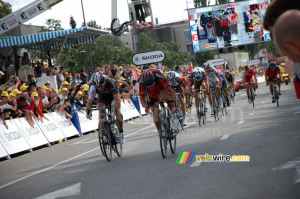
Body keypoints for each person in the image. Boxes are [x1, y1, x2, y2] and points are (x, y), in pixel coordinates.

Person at [138, 68, 180, 135]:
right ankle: (160, 132)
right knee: (155, 111)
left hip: (160, 86)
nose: (151, 87)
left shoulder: (158, 76)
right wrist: (146, 107)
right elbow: (142, 98)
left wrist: (174, 103)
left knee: (165, 97)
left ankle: (175, 117)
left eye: (152, 85)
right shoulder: (141, 82)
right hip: (151, 92)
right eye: (149, 86)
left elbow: (171, 91)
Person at [86, 72, 125, 144]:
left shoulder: (109, 82)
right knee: (101, 112)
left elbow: (117, 99)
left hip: (113, 96)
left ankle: (121, 133)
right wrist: (89, 111)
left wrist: (116, 110)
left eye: (101, 86)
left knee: (117, 112)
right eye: (98, 87)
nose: (100, 88)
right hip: (102, 97)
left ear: (104, 82)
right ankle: (104, 135)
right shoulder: (92, 86)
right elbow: (89, 102)